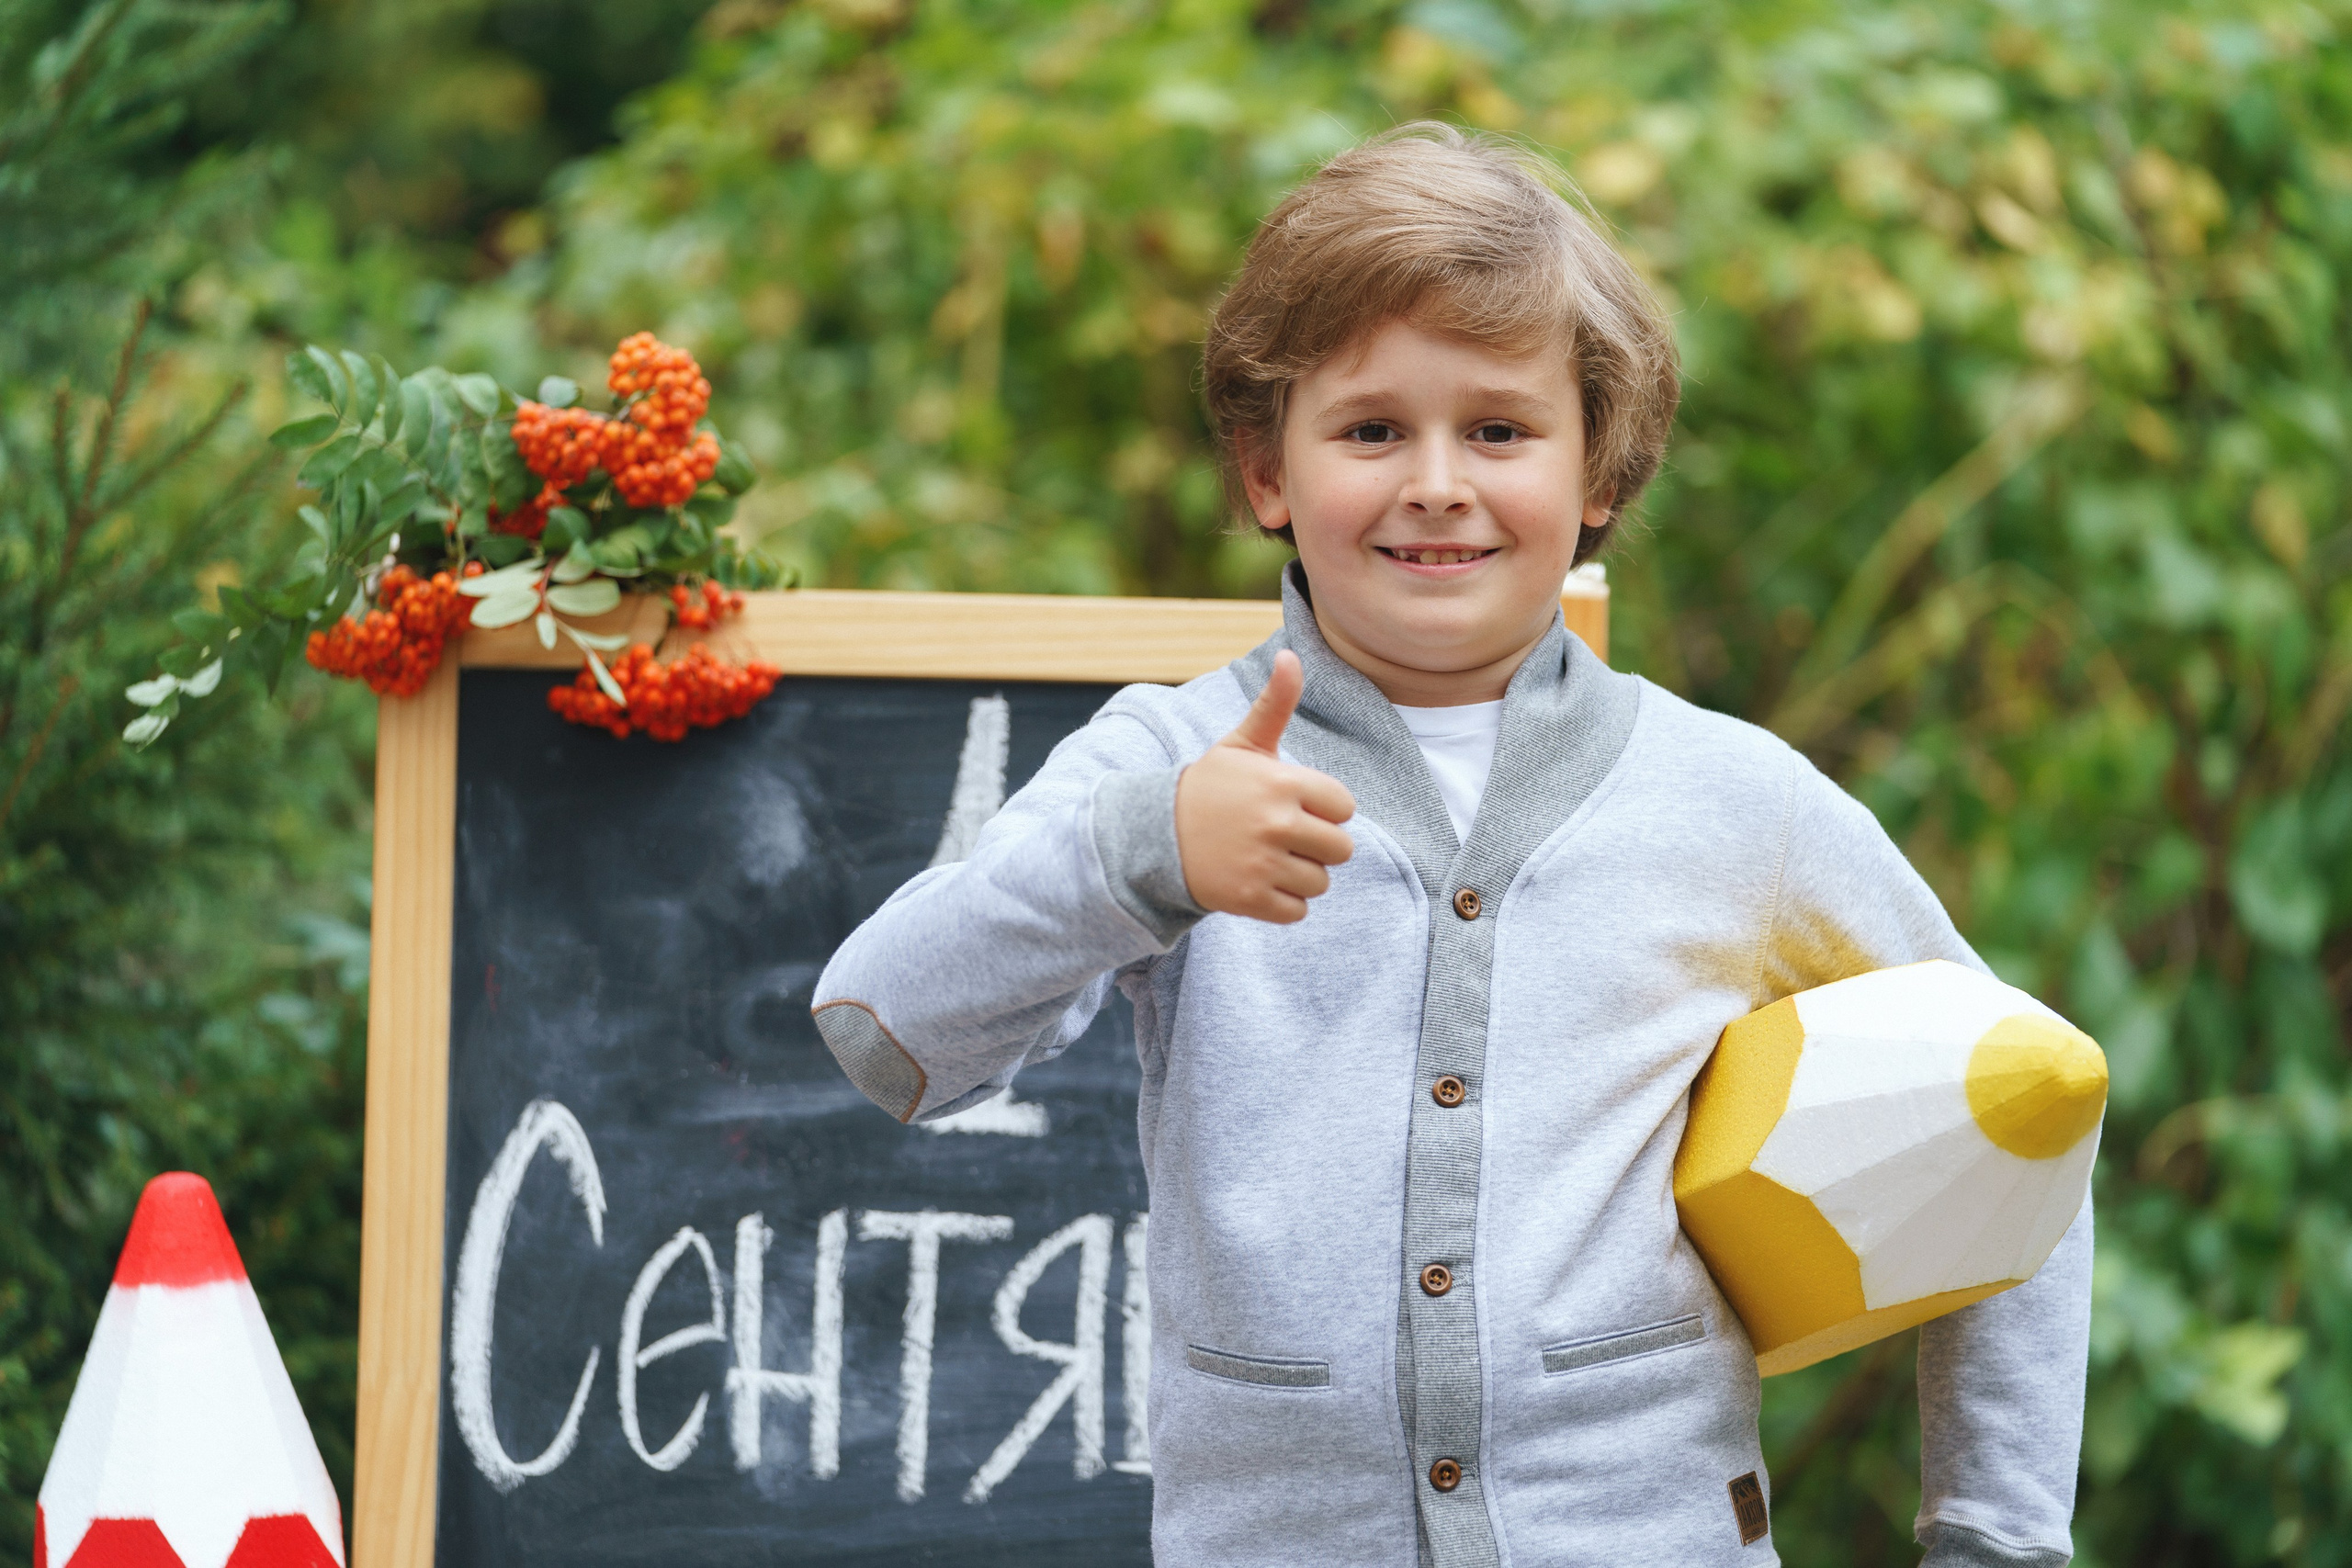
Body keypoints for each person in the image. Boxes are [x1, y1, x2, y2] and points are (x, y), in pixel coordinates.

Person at [812, 122, 2089, 1567]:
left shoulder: (1740, 802)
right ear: (1264, 472)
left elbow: (2026, 1126)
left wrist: (1994, 1533)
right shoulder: (1173, 765)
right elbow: (885, 1030)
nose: (1435, 480)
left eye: (1499, 429)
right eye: (1370, 430)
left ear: (1598, 468)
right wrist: (1139, 861)